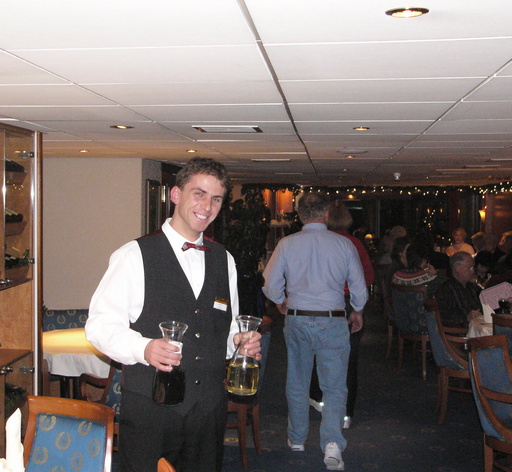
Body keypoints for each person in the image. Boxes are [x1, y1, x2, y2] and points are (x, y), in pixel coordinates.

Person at [85, 157, 262, 472]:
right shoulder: (134, 255)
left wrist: (239, 342)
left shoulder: (224, 259)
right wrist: (144, 348)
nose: (207, 206)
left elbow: (224, 330)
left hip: (208, 408)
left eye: (216, 198)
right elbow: (99, 326)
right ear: (176, 194)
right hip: (151, 409)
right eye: (199, 194)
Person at [262, 193, 368, 471]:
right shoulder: (343, 244)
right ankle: (332, 443)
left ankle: (297, 438)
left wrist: (280, 300)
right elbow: (359, 288)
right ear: (326, 214)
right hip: (332, 320)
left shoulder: (286, 244)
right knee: (334, 385)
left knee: (297, 379)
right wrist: (357, 310)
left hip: (297, 318)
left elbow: (270, 283)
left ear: (299, 215)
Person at [309, 201, 374, 430]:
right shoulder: (354, 243)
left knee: (318, 352)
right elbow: (368, 277)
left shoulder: (317, 242)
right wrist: (359, 308)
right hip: (348, 303)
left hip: (321, 303)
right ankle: (346, 412)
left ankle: (319, 397)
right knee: (348, 358)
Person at [434, 251, 482, 328]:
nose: (473, 271)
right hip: (459, 332)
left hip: (478, 328)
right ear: (458, 268)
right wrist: (466, 318)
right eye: (470, 267)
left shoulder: (474, 288)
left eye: (473, 268)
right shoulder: (445, 290)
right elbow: (441, 316)